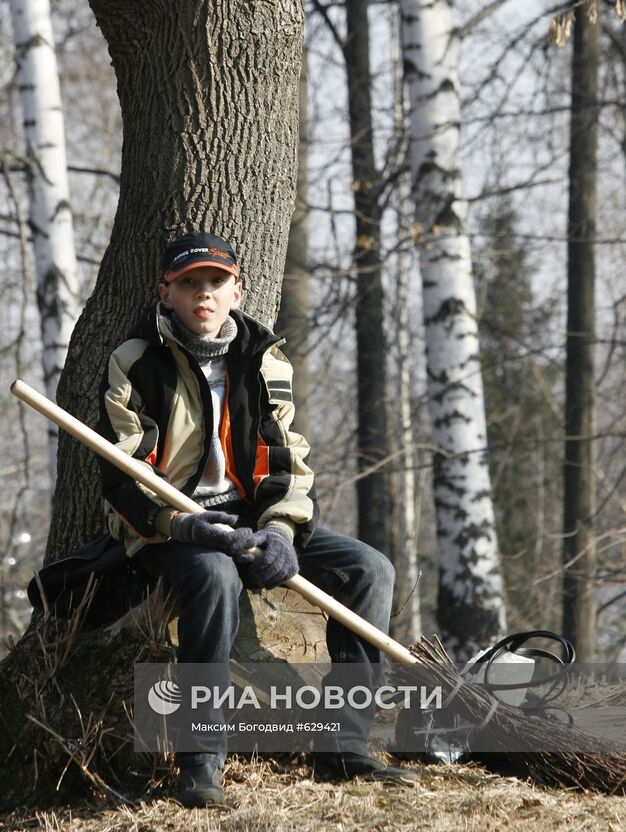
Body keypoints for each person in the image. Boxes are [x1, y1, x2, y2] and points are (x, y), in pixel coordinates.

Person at [97, 231, 411, 807]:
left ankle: (344, 746)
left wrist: (281, 530)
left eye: (216, 283)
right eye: (189, 284)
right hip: (171, 526)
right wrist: (182, 525)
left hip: (252, 519)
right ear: (165, 292)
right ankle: (201, 762)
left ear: (237, 291)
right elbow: (124, 476)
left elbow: (285, 456)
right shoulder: (133, 362)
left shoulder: (264, 358)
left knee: (370, 568)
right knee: (214, 577)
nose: (203, 295)